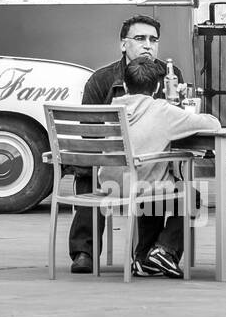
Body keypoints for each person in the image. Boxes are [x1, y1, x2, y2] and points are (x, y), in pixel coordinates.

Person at [68, 15, 185, 274]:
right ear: (123, 44)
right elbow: (90, 135)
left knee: (157, 169)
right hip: (109, 165)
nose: (148, 45)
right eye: (140, 38)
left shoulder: (171, 76)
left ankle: (146, 255)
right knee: (89, 171)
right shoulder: (101, 80)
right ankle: (84, 252)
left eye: (153, 40)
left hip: (149, 162)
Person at [95, 58, 220, 278]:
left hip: (109, 185)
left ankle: (143, 258)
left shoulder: (113, 107)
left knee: (157, 181)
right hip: (140, 186)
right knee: (189, 194)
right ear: (157, 88)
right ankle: (165, 250)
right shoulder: (161, 109)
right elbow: (212, 124)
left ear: (124, 86)